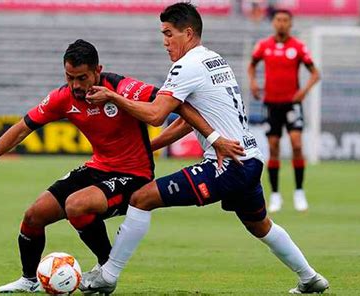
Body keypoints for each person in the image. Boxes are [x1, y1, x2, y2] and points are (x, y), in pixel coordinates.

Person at [82, 3, 329, 294]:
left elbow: (156, 115)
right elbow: (190, 122)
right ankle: (310, 277)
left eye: (168, 33)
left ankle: (108, 275)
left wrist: (114, 96)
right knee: (259, 224)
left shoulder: (187, 66)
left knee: (141, 198)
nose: (165, 42)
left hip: (225, 164)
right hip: (248, 158)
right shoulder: (213, 59)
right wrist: (148, 148)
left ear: (188, 33)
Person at [0, 38, 229, 294]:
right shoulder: (63, 98)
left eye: (82, 78)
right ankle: (29, 280)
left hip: (134, 176)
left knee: (76, 205)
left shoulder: (123, 88)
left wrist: (213, 137)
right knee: (33, 216)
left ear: (97, 71)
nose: (75, 85)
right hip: (98, 168)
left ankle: (106, 271)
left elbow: (179, 107)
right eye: (69, 77)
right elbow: (20, 129)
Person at [248, 9, 320, 213]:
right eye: (278, 20)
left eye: (285, 20)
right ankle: (276, 195)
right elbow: (252, 65)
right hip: (271, 104)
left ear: (290, 23)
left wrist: (303, 92)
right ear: (274, 23)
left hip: (292, 104)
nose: (281, 23)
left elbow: (315, 74)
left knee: (297, 145)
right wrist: (253, 83)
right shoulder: (264, 45)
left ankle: (299, 191)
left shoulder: (298, 47)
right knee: (273, 147)